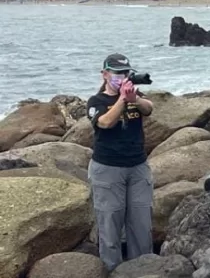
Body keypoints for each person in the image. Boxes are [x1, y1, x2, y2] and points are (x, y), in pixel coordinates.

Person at [86, 53, 155, 272]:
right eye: (116, 72)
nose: (121, 77)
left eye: (125, 73)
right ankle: (112, 269)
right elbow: (105, 123)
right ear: (105, 74)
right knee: (110, 223)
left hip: (138, 166)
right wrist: (122, 100)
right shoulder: (96, 101)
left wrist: (135, 99)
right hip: (108, 169)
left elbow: (148, 108)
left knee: (141, 222)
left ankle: (142, 269)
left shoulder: (134, 95)